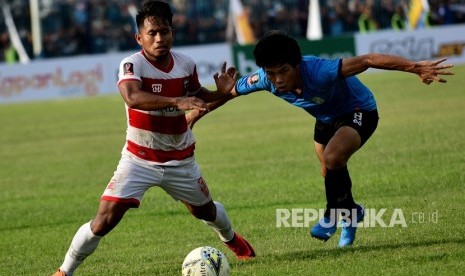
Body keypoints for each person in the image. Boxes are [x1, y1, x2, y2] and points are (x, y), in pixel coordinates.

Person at [187, 30, 454, 248]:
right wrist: (193, 117)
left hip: (359, 110)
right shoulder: (265, 80)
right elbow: (229, 93)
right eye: (271, 73)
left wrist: (415, 67)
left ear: (297, 65)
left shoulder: (321, 70)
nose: (278, 80)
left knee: (334, 156)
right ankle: (351, 214)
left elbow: (369, 59)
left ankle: (333, 215)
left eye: (283, 71)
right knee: (329, 169)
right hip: (326, 119)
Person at [52, 1, 255, 275]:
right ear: (139, 37)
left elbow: (198, 96)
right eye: (152, 33)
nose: (160, 38)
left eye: (165, 31)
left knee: (204, 211)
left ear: (172, 32)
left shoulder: (186, 64)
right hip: (139, 158)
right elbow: (132, 97)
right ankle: (64, 271)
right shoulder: (131, 65)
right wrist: (177, 100)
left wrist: (219, 92)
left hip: (181, 159)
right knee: (104, 220)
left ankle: (233, 240)